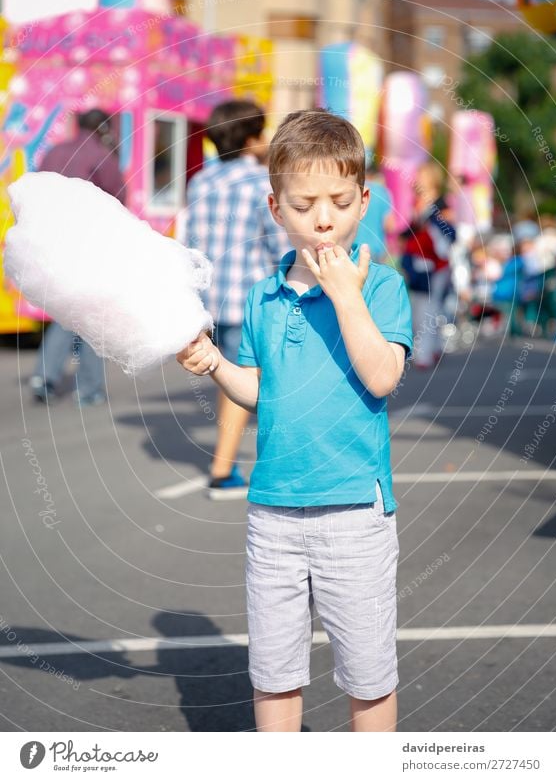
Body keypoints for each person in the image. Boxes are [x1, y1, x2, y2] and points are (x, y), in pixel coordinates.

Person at [177, 109, 413, 732]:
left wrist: (345, 295)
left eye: (338, 200)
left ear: (364, 199)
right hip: (274, 513)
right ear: (276, 208)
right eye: (304, 204)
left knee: (368, 678)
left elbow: (382, 375)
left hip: (353, 514)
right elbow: (258, 389)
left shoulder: (381, 288)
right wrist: (215, 363)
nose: (324, 218)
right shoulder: (262, 295)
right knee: (275, 677)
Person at [179, 100, 290, 500]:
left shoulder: (200, 182)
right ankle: (223, 469)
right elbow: (279, 244)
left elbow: (188, 242)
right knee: (251, 377)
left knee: (228, 377)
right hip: (251, 296)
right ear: (250, 138)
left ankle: (227, 465)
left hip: (211, 297)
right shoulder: (262, 183)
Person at [29, 109, 126, 405]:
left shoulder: (54, 152)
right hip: (88, 247)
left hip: (51, 245)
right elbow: (120, 199)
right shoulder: (100, 155)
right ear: (103, 129)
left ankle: (47, 377)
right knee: (91, 315)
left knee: (71, 311)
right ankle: (87, 387)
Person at [400, 161, 456, 369]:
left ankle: (425, 354)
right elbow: (409, 231)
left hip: (437, 264)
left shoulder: (441, 204)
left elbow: (450, 233)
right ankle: (433, 348)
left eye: (422, 176)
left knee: (427, 307)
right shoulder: (417, 204)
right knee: (425, 306)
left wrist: (433, 222)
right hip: (418, 262)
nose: (417, 179)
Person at [354, 159, 394, 263]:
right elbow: (390, 225)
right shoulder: (383, 192)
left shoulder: (353, 189)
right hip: (376, 250)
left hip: (353, 248)